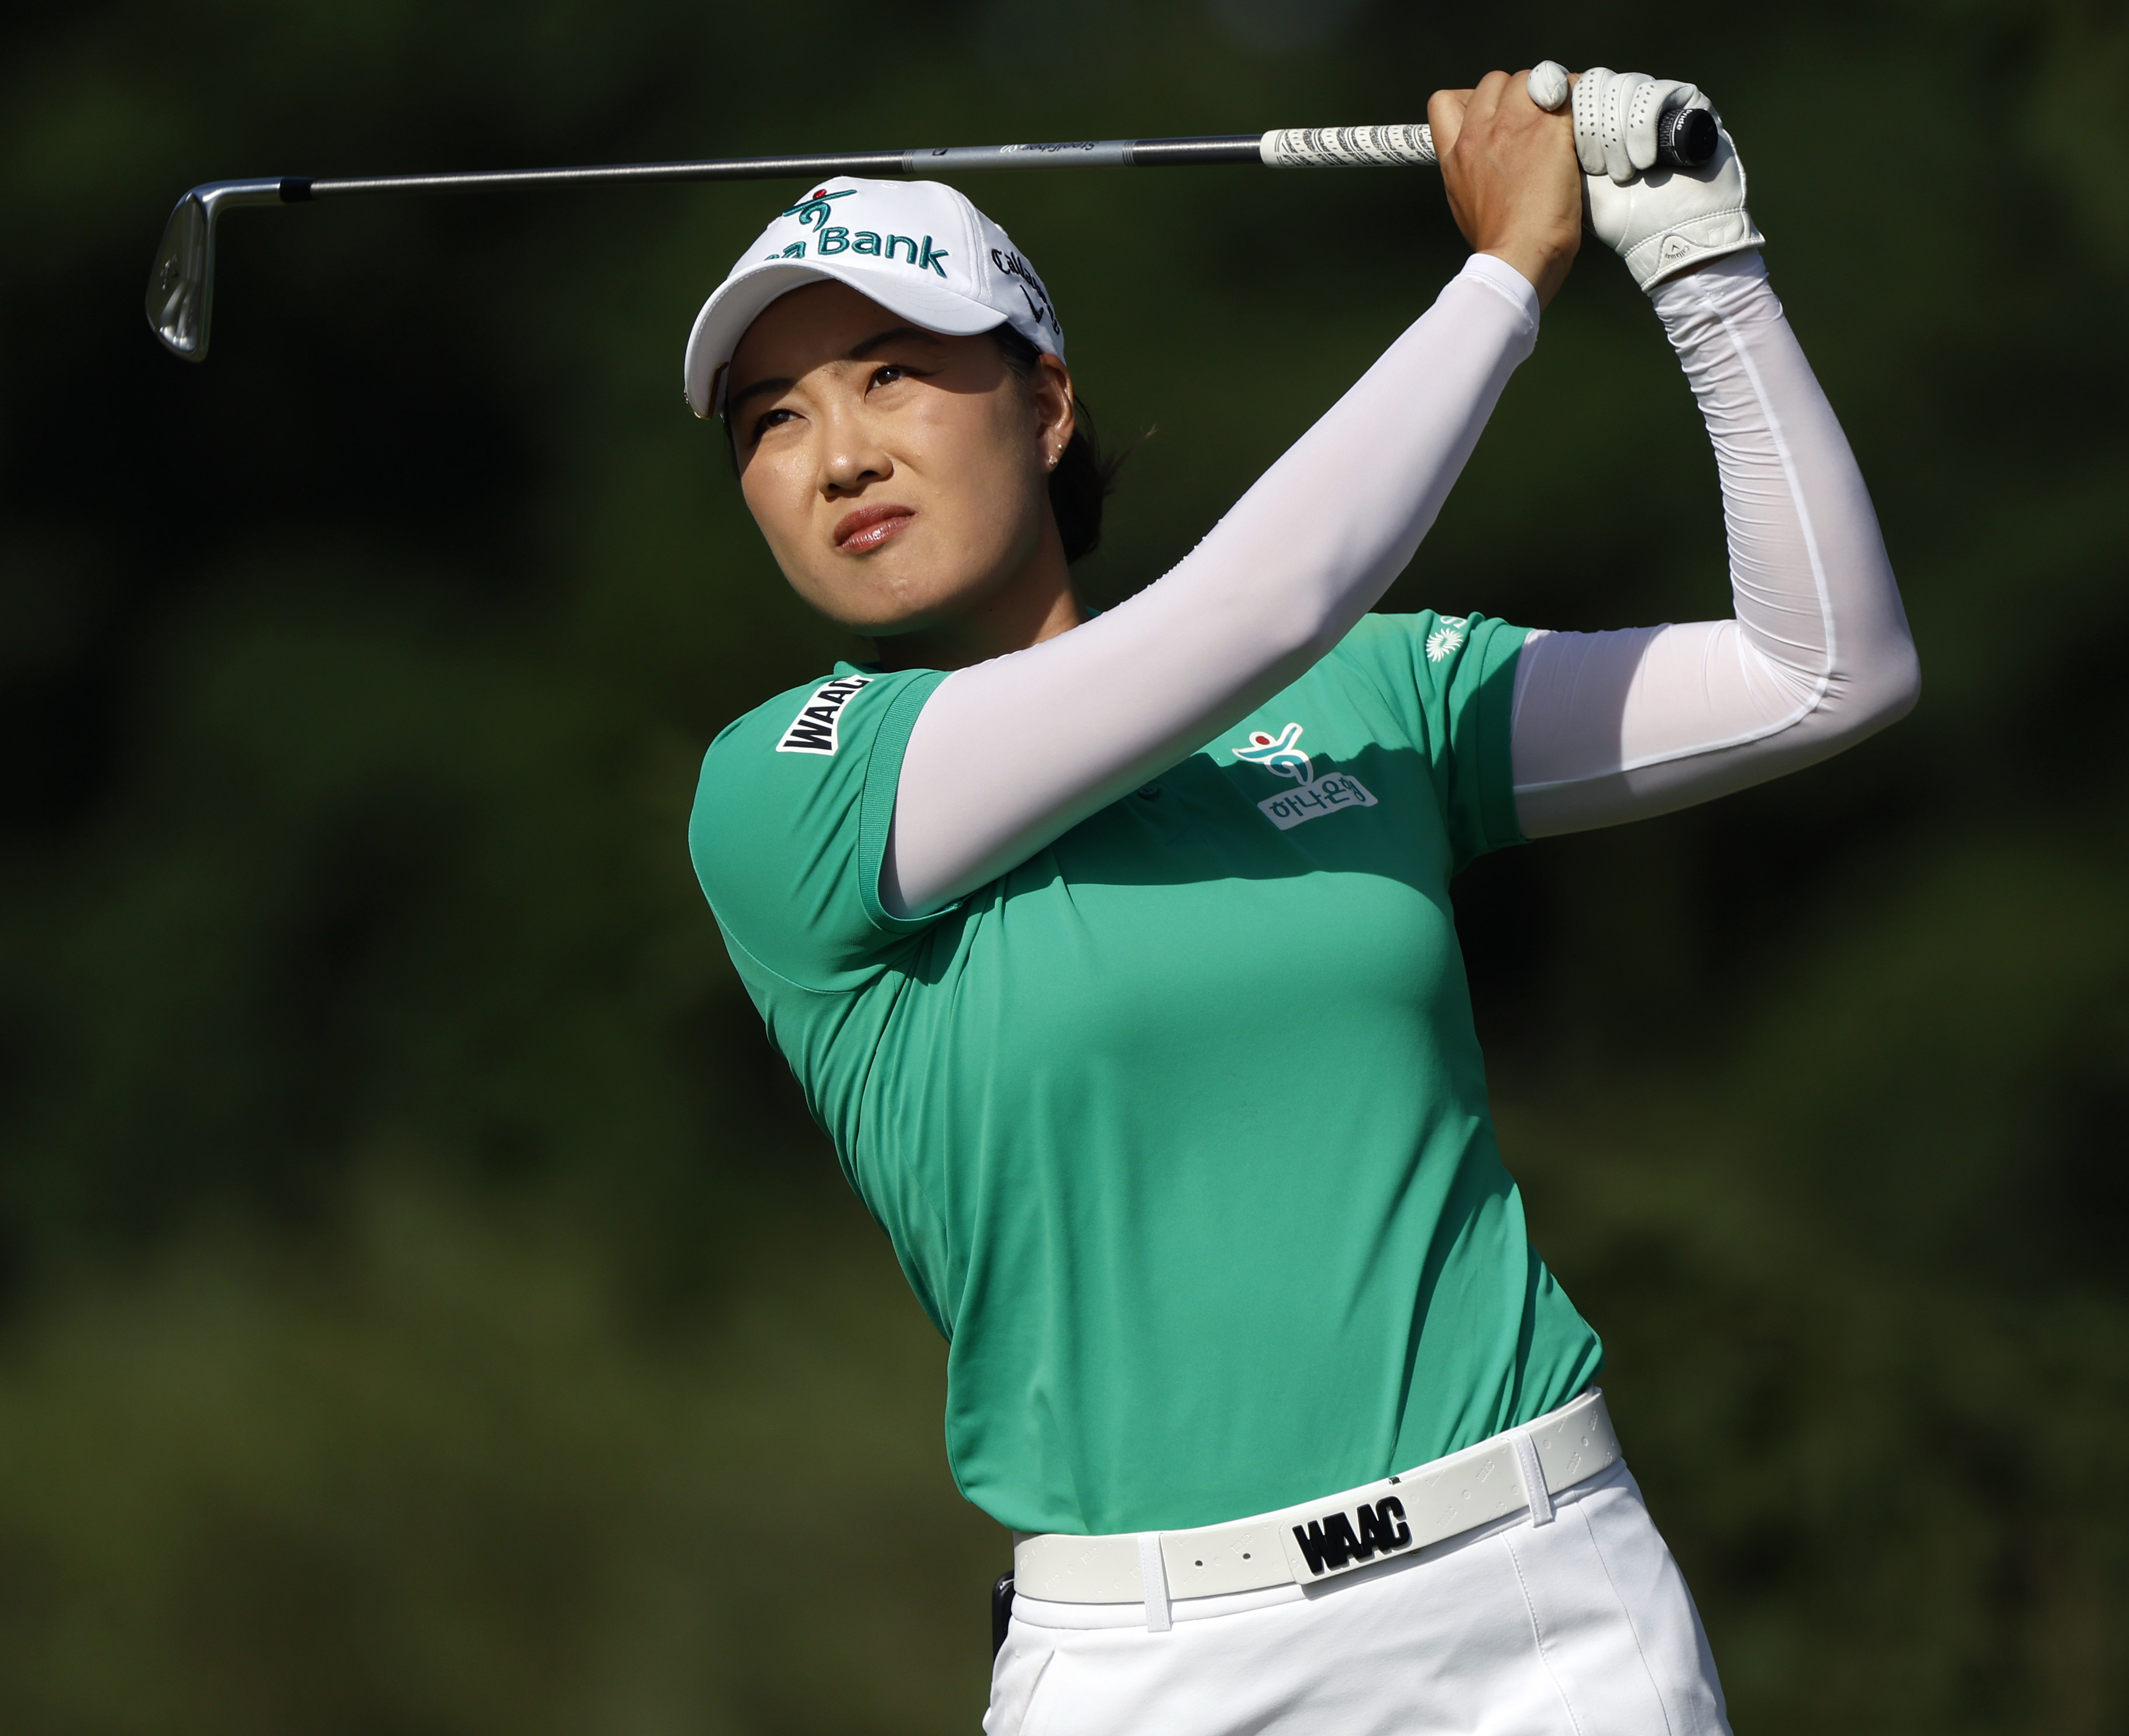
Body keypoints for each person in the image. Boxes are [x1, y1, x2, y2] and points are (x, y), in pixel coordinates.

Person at [683, 64, 1915, 1736]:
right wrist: (1502, 276)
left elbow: (1823, 672)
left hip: (1546, 1606)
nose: (835, 457)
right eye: (771, 419)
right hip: (1154, 1666)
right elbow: (1253, 605)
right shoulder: (793, 787)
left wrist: (1699, 257)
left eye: (891, 375)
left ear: (1045, 406)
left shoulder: (1364, 695)